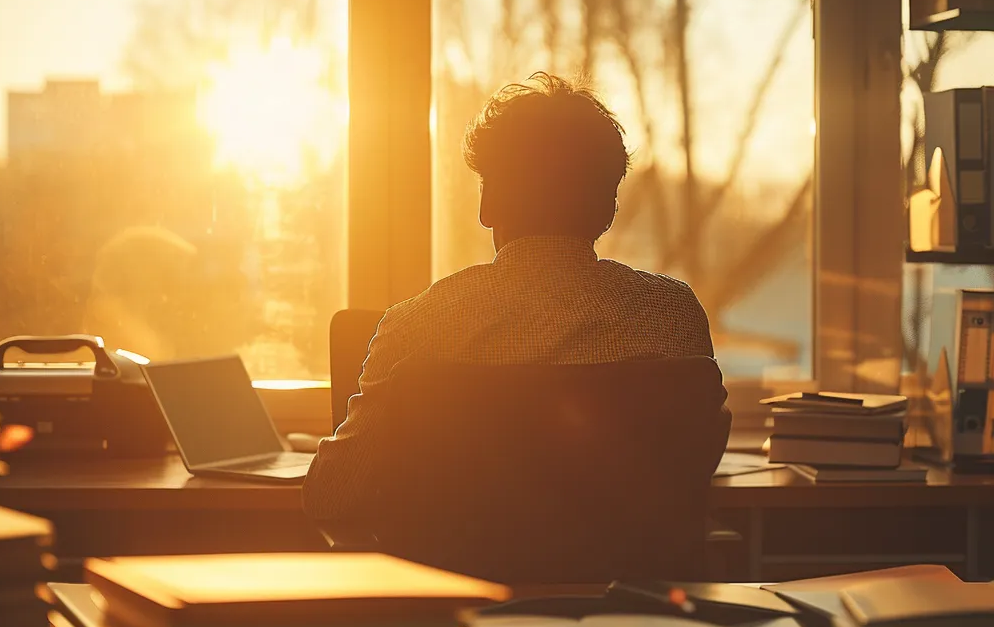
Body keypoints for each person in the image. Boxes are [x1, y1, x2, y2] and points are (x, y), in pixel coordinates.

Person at [302, 72, 715, 523]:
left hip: (456, 590)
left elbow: (333, 497)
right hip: (627, 591)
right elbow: (689, 471)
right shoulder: (673, 316)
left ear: (488, 204)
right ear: (606, 210)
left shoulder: (415, 327)